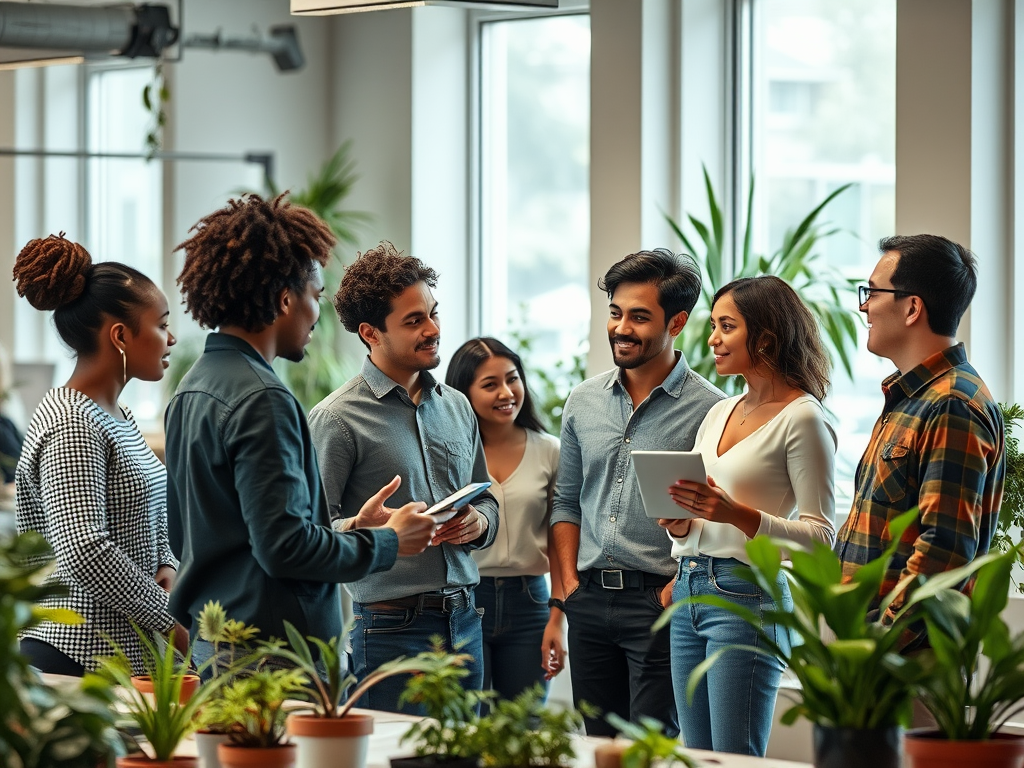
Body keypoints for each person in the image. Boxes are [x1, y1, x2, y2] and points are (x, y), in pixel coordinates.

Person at [165, 196, 436, 660]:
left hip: (219, 643)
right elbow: (285, 548)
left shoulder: (192, 387)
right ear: (285, 299)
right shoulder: (262, 398)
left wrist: (350, 529)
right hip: (272, 656)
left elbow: (191, 534)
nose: (318, 312)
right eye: (315, 295)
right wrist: (389, 541)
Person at [308, 241, 499, 714]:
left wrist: (479, 523)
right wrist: (365, 531)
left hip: (466, 620)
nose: (433, 330)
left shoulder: (456, 405)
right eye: (414, 321)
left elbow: (487, 497)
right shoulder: (336, 419)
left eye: (433, 314)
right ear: (371, 333)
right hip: (392, 630)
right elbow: (309, 536)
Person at [549, 248, 724, 737]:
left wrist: (673, 590)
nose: (622, 328)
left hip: (659, 601)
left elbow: (714, 516)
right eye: (615, 313)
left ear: (678, 322)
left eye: (639, 317)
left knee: (652, 744)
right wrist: (567, 588)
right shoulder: (582, 401)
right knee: (598, 743)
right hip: (587, 600)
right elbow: (565, 501)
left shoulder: (712, 410)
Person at [662, 275, 837, 756]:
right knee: (695, 756)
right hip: (689, 587)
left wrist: (737, 514)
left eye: (725, 326)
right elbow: (704, 515)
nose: (711, 339)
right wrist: (683, 523)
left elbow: (823, 538)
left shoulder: (803, 417)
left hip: (747, 596)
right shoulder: (720, 411)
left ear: (764, 336)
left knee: (734, 758)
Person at [12, 233, 187, 675]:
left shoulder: (117, 414)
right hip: (76, 654)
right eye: (162, 324)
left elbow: (146, 508)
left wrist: (165, 561)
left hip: (118, 652)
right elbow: (85, 549)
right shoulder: (72, 422)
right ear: (121, 335)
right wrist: (168, 619)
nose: (172, 339)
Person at [835, 234, 1005, 653]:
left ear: (912, 307)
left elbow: (944, 549)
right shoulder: (912, 397)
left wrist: (884, 639)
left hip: (906, 656)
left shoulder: (951, 403)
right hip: (871, 645)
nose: (863, 305)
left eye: (872, 292)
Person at [445, 337, 565, 700]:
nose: (506, 392)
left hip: (530, 602)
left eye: (513, 379)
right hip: (463, 599)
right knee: (465, 726)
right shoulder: (449, 452)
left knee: (524, 727)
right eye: (490, 384)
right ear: (462, 392)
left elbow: (562, 540)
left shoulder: (549, 451)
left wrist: (557, 618)